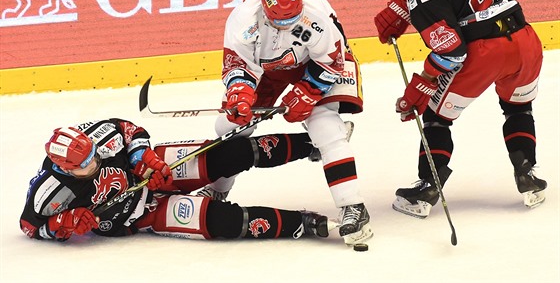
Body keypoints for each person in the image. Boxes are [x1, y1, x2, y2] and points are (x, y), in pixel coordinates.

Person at [374, 0, 547, 218]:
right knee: (518, 108)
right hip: (526, 42)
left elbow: (452, 52)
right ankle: (528, 175)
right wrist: (404, 7)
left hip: (486, 52)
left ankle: (427, 188)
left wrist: (424, 82)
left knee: (435, 116)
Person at [205, 0, 372, 245]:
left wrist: (308, 91)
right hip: (266, 70)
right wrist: (240, 93)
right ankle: (216, 190)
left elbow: (332, 61)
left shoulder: (315, 15)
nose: (287, 25)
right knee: (230, 126)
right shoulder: (244, 19)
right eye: (280, 21)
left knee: (326, 127)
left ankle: (353, 206)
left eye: (292, 19)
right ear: (265, 11)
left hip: (314, 64)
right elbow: (237, 64)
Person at [20, 118, 336, 242]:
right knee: (223, 223)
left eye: (93, 155)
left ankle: (311, 144)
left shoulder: (95, 139)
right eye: (85, 164)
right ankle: (301, 224)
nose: (94, 161)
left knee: (229, 154)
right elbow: (30, 226)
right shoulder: (48, 193)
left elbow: (129, 130)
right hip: (142, 215)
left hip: (153, 171)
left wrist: (143, 158)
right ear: (64, 168)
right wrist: (65, 223)